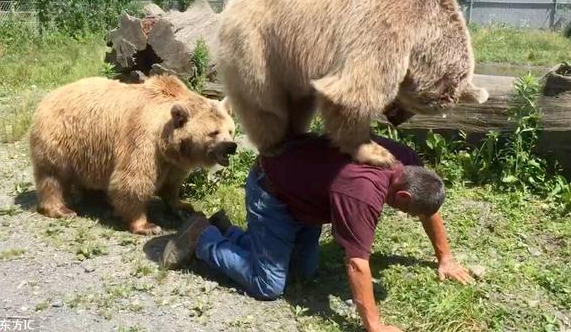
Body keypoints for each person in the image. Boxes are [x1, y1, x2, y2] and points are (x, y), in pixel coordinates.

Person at [162, 133, 473, 332]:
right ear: (403, 197)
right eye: (409, 212)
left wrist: (445, 257)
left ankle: (230, 233)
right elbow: (356, 263)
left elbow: (429, 209)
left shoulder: (406, 162)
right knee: (268, 285)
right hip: (273, 193)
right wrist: (375, 325)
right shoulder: (363, 193)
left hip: (307, 195)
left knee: (303, 272)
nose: (407, 217)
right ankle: (203, 236)